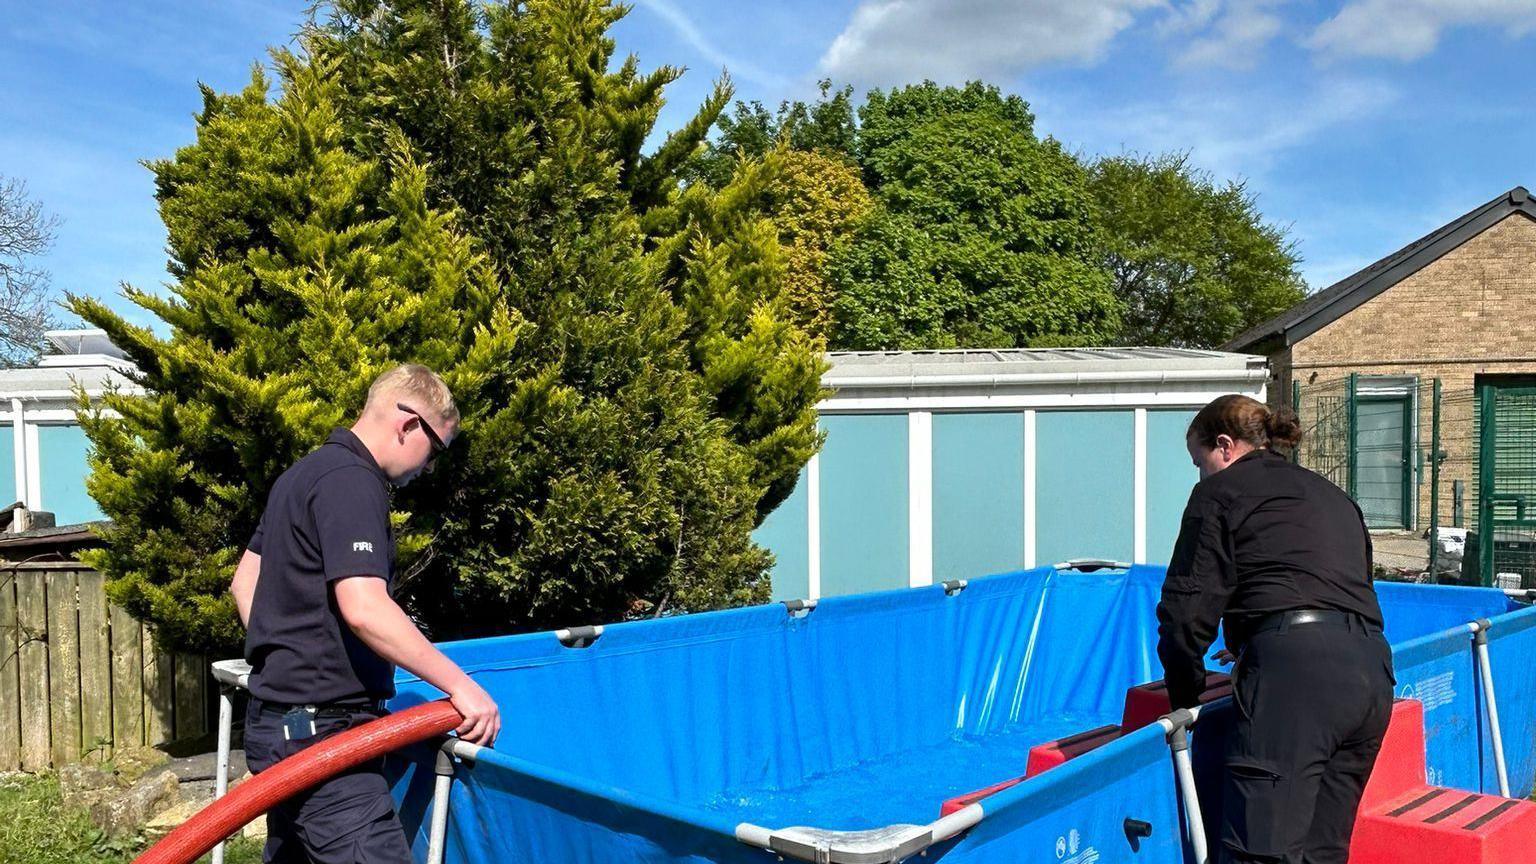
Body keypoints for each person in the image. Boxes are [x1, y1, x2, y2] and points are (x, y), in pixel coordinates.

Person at [230, 364, 500, 864]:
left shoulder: (303, 474)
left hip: (279, 727)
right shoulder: (353, 481)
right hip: (324, 739)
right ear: (408, 424)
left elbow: (245, 581)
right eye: (436, 449)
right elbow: (365, 606)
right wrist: (460, 686)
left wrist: (290, 656)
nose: (431, 468)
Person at [1156, 394, 1395, 864]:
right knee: (1322, 850)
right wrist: (1253, 640)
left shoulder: (1219, 493)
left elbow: (1186, 612)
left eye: (1198, 462)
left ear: (1224, 446)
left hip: (1298, 682)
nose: (1198, 474)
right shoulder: (1331, 493)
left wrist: (1184, 697)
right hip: (1370, 671)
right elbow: (1324, 585)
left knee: (1260, 848)